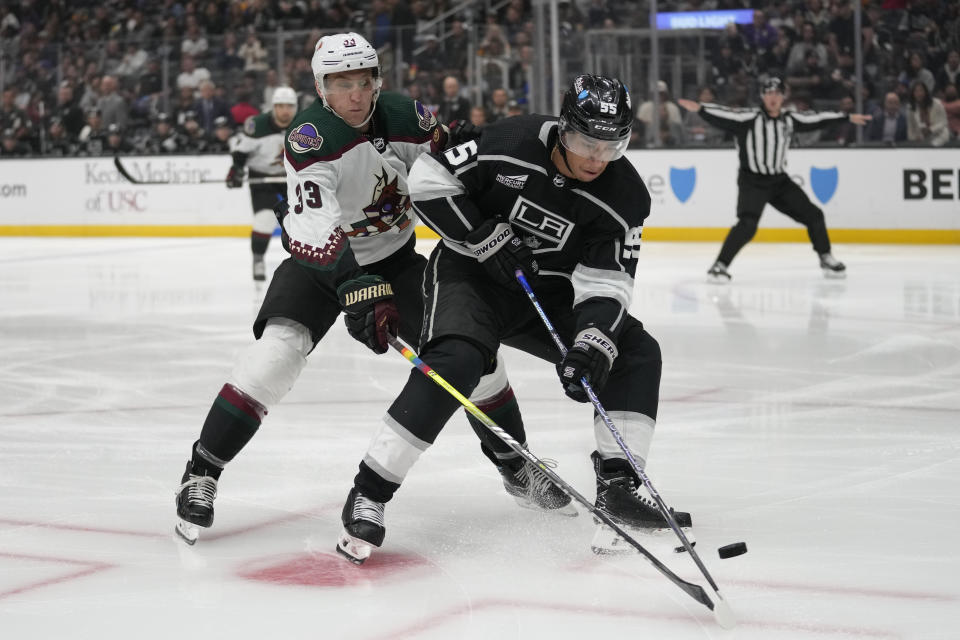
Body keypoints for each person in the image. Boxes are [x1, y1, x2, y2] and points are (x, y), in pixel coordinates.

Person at [174, 33, 543, 545]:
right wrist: (355, 282)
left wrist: (467, 155)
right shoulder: (309, 136)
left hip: (395, 261)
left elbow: (448, 175)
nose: (353, 94)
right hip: (322, 266)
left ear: (377, 82)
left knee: (478, 358)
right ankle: (202, 472)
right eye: (340, 83)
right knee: (274, 358)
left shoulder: (409, 118)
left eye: (362, 82)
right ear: (321, 88)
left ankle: (516, 466)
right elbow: (312, 226)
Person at [335, 73, 692, 566]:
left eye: (611, 147)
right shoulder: (509, 141)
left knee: (632, 351)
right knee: (457, 361)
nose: (595, 158)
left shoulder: (625, 196)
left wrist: (590, 343)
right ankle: (369, 491)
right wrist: (484, 237)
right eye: (586, 141)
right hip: (471, 273)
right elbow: (429, 180)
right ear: (564, 129)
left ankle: (619, 486)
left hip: (548, 292)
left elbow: (607, 280)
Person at [677, 77, 871, 282]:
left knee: (814, 215)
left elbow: (816, 119)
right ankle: (719, 265)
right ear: (762, 96)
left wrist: (846, 118)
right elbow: (724, 115)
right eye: (769, 93)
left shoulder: (789, 119)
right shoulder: (749, 118)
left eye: (777, 94)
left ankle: (826, 257)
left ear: (783, 97)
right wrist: (701, 109)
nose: (773, 98)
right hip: (752, 180)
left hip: (779, 181)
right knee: (748, 224)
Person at [226, 86, 298, 281]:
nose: (285, 111)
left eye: (289, 106)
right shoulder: (257, 125)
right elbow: (240, 153)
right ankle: (258, 260)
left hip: (292, 177)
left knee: (301, 220)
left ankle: (304, 262)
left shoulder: (303, 124)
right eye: (280, 106)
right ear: (272, 107)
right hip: (262, 176)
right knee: (264, 220)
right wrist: (236, 170)